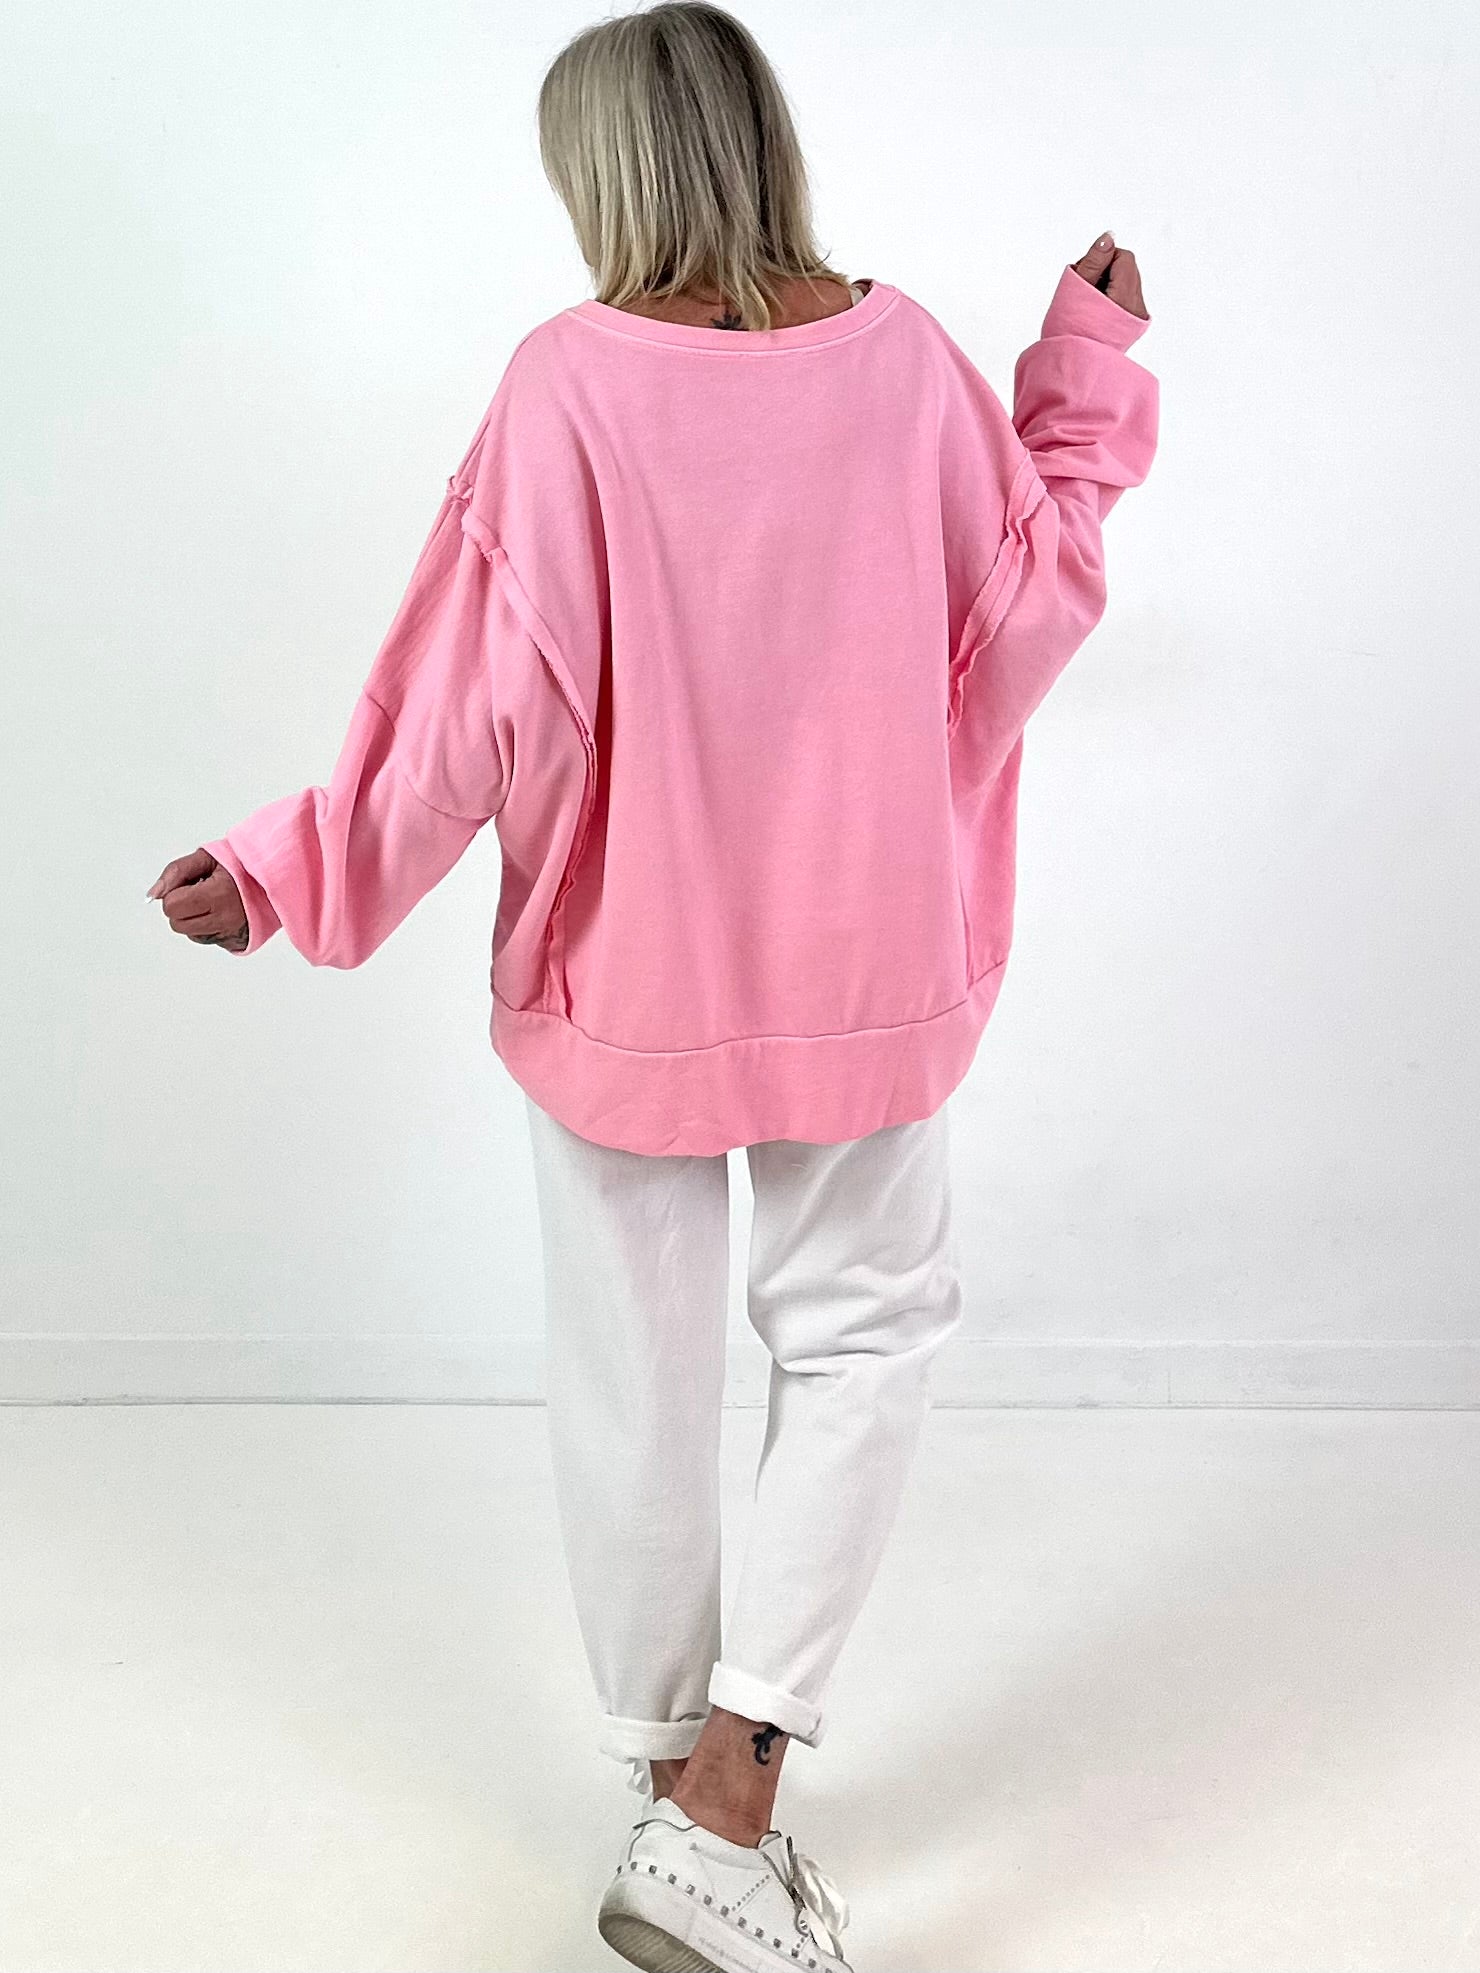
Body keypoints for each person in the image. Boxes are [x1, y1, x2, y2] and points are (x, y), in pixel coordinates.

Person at [146, 4, 1158, 1966]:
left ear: (599, 172)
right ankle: (731, 1789)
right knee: (857, 1338)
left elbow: (462, 702)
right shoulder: (905, 363)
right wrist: (1084, 377)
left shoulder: (567, 386)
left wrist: (292, 868)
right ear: (763, 138)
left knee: (635, 1362)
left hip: (627, 967)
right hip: (865, 952)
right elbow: (1025, 605)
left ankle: (666, 1784)